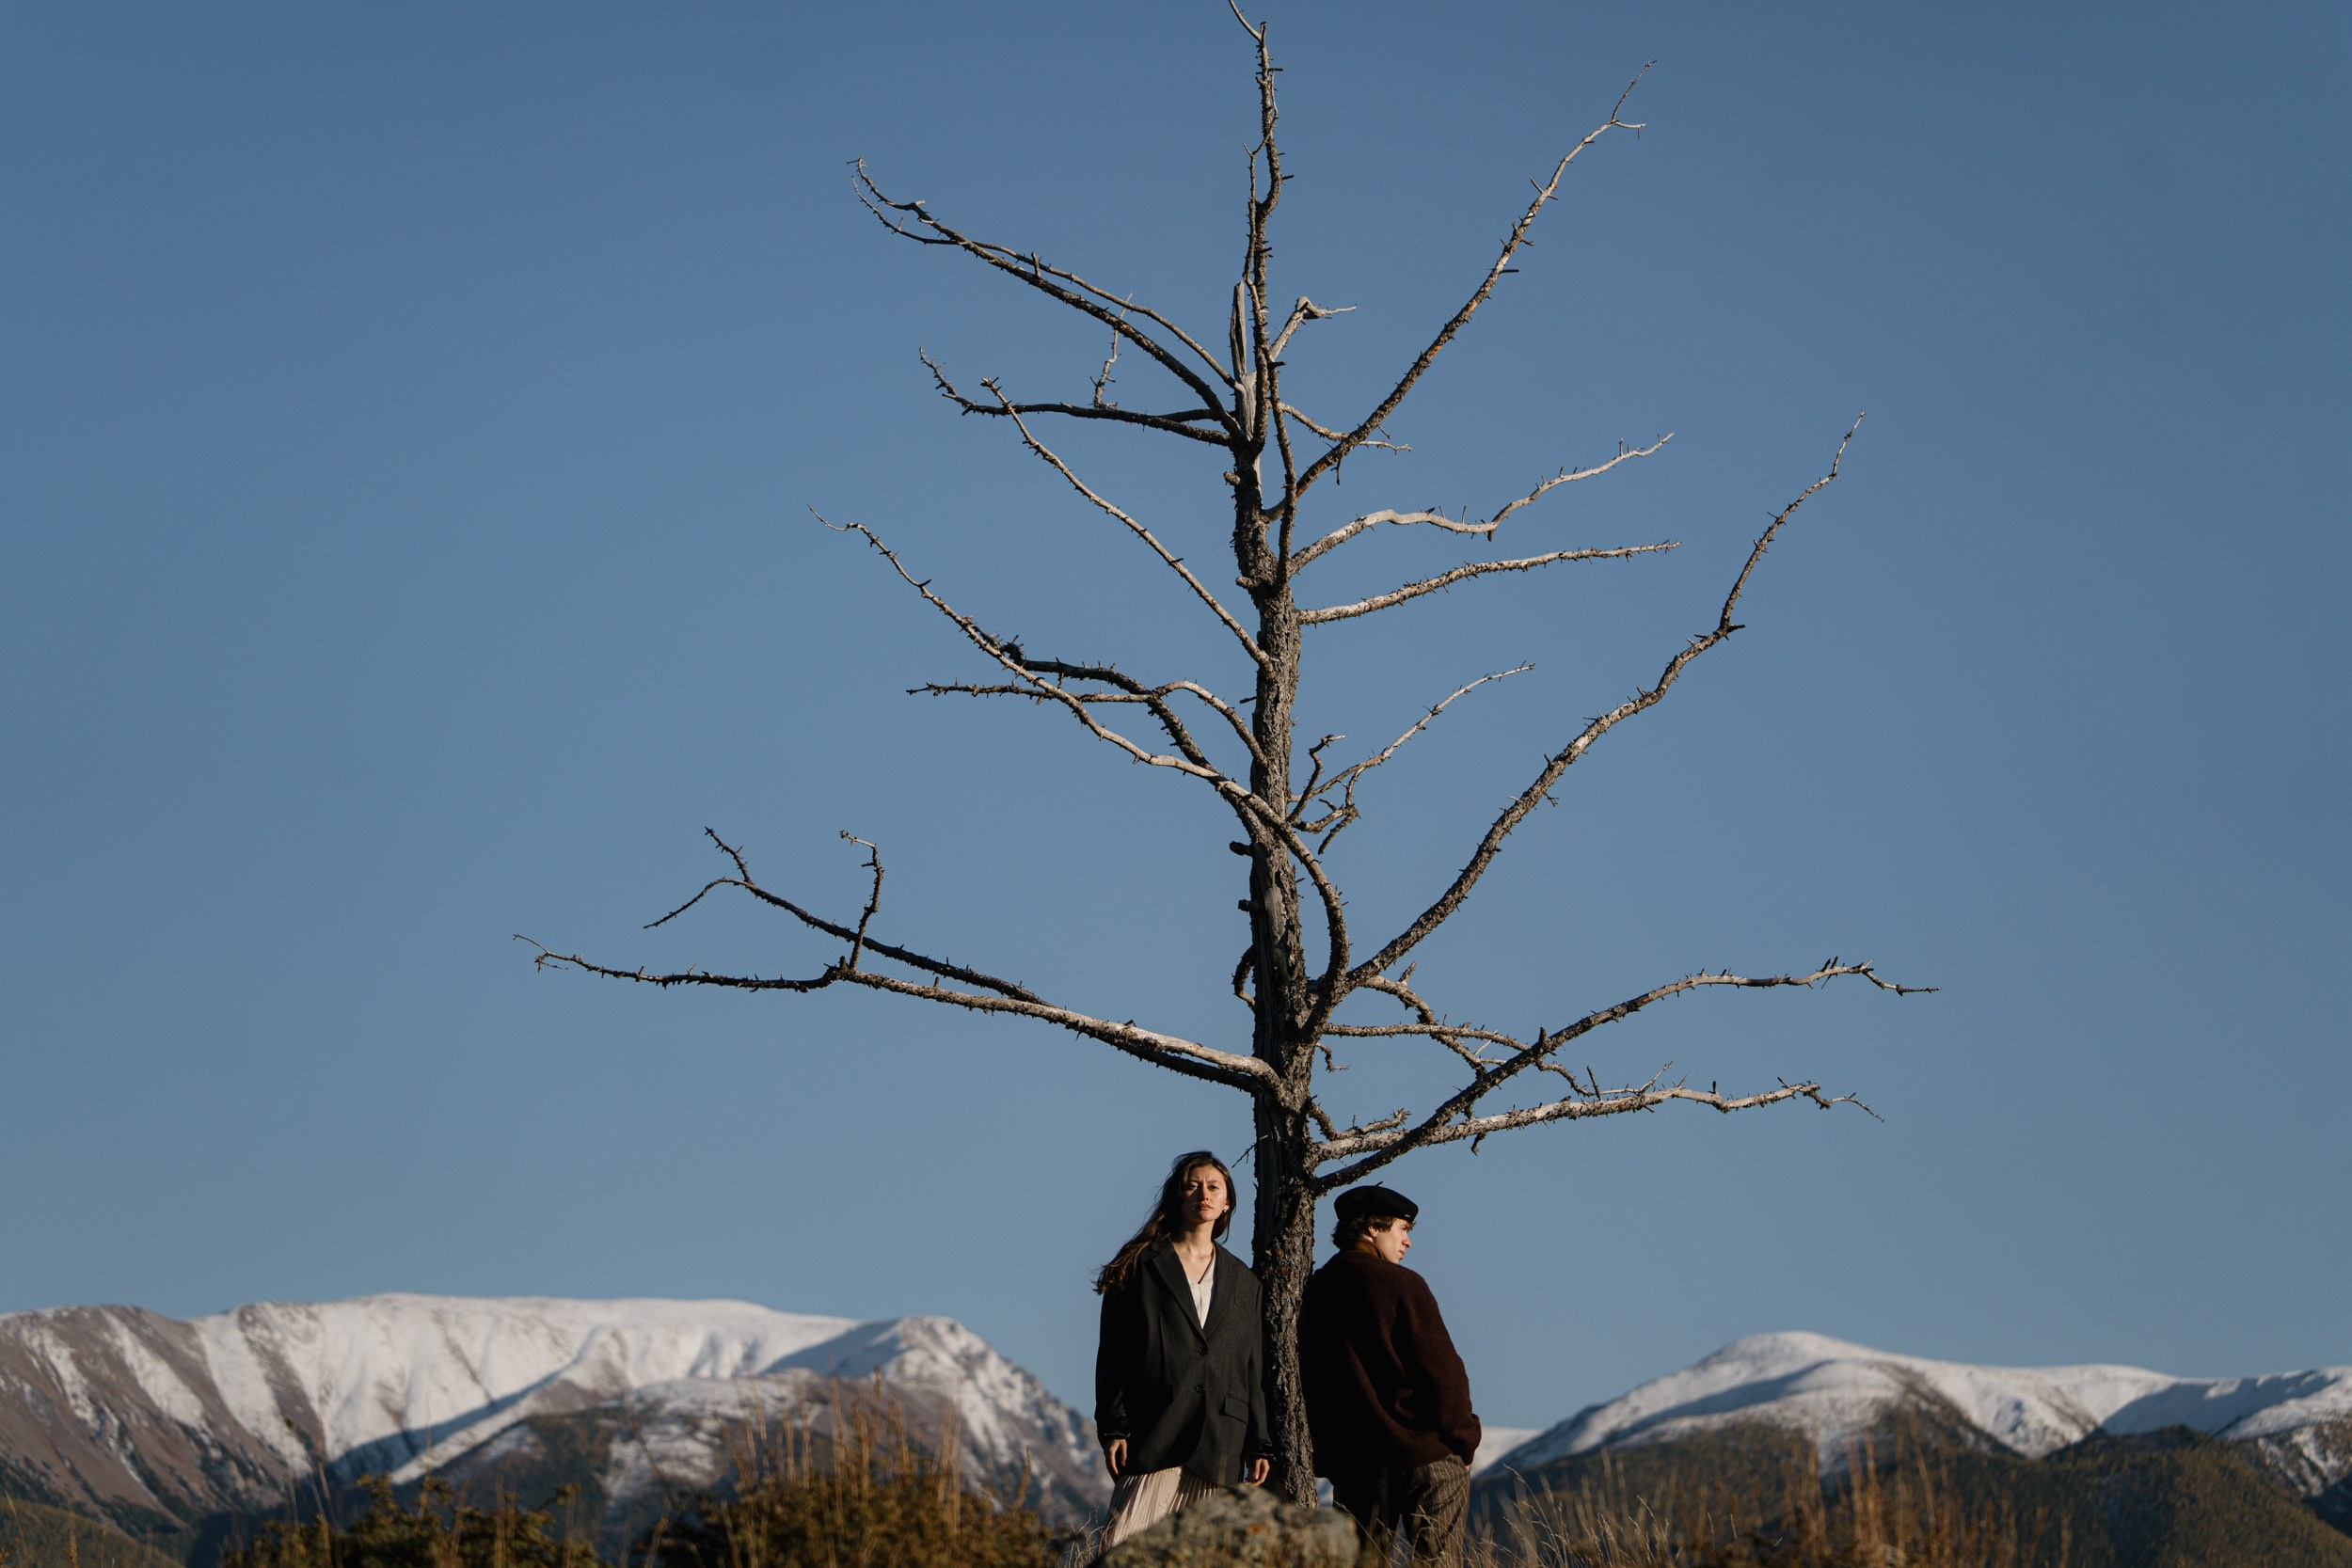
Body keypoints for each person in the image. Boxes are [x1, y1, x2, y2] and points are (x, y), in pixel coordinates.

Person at [1091, 1150, 1274, 1551]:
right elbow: (1114, 1353)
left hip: (1221, 1436)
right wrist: (1114, 1426)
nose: (1202, 1195)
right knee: (1123, 1546)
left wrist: (1259, 1441)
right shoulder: (1140, 1265)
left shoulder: (1245, 1281)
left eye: (1213, 1187)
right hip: (1154, 1427)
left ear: (1227, 1203)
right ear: (1177, 1196)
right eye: (1192, 1186)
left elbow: (1251, 1367)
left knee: (1206, 1555)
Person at [1300, 1183, 1481, 1568]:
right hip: (1426, 1459)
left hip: (1357, 1465)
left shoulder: (1314, 1292)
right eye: (1403, 1229)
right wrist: (1464, 1439)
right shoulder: (1402, 1284)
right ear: (1371, 1229)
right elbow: (1443, 1371)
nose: (1408, 1242)